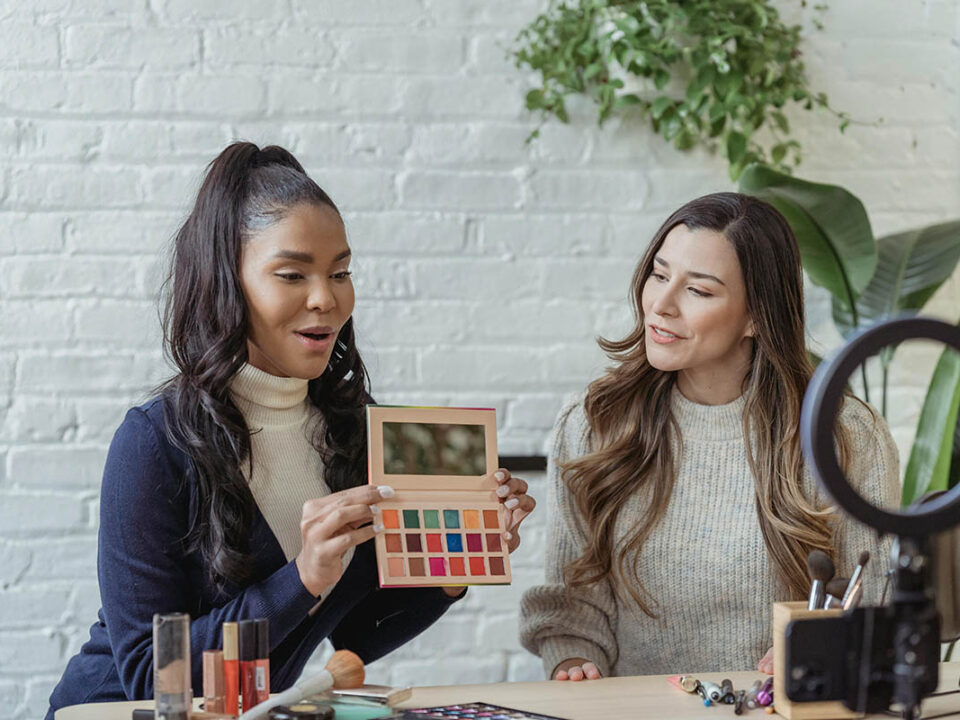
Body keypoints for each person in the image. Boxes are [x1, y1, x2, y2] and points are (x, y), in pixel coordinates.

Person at [47, 142, 535, 716]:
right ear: (228, 281)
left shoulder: (353, 427)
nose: (326, 297)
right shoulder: (155, 442)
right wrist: (301, 577)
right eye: (291, 274)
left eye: (340, 272)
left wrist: (458, 563)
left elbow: (359, 634)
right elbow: (149, 673)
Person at [519, 192, 898, 681]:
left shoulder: (843, 433)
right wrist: (573, 663)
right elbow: (575, 603)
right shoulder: (594, 422)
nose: (661, 304)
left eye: (698, 291)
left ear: (756, 316)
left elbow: (872, 600)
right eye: (659, 274)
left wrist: (823, 646)